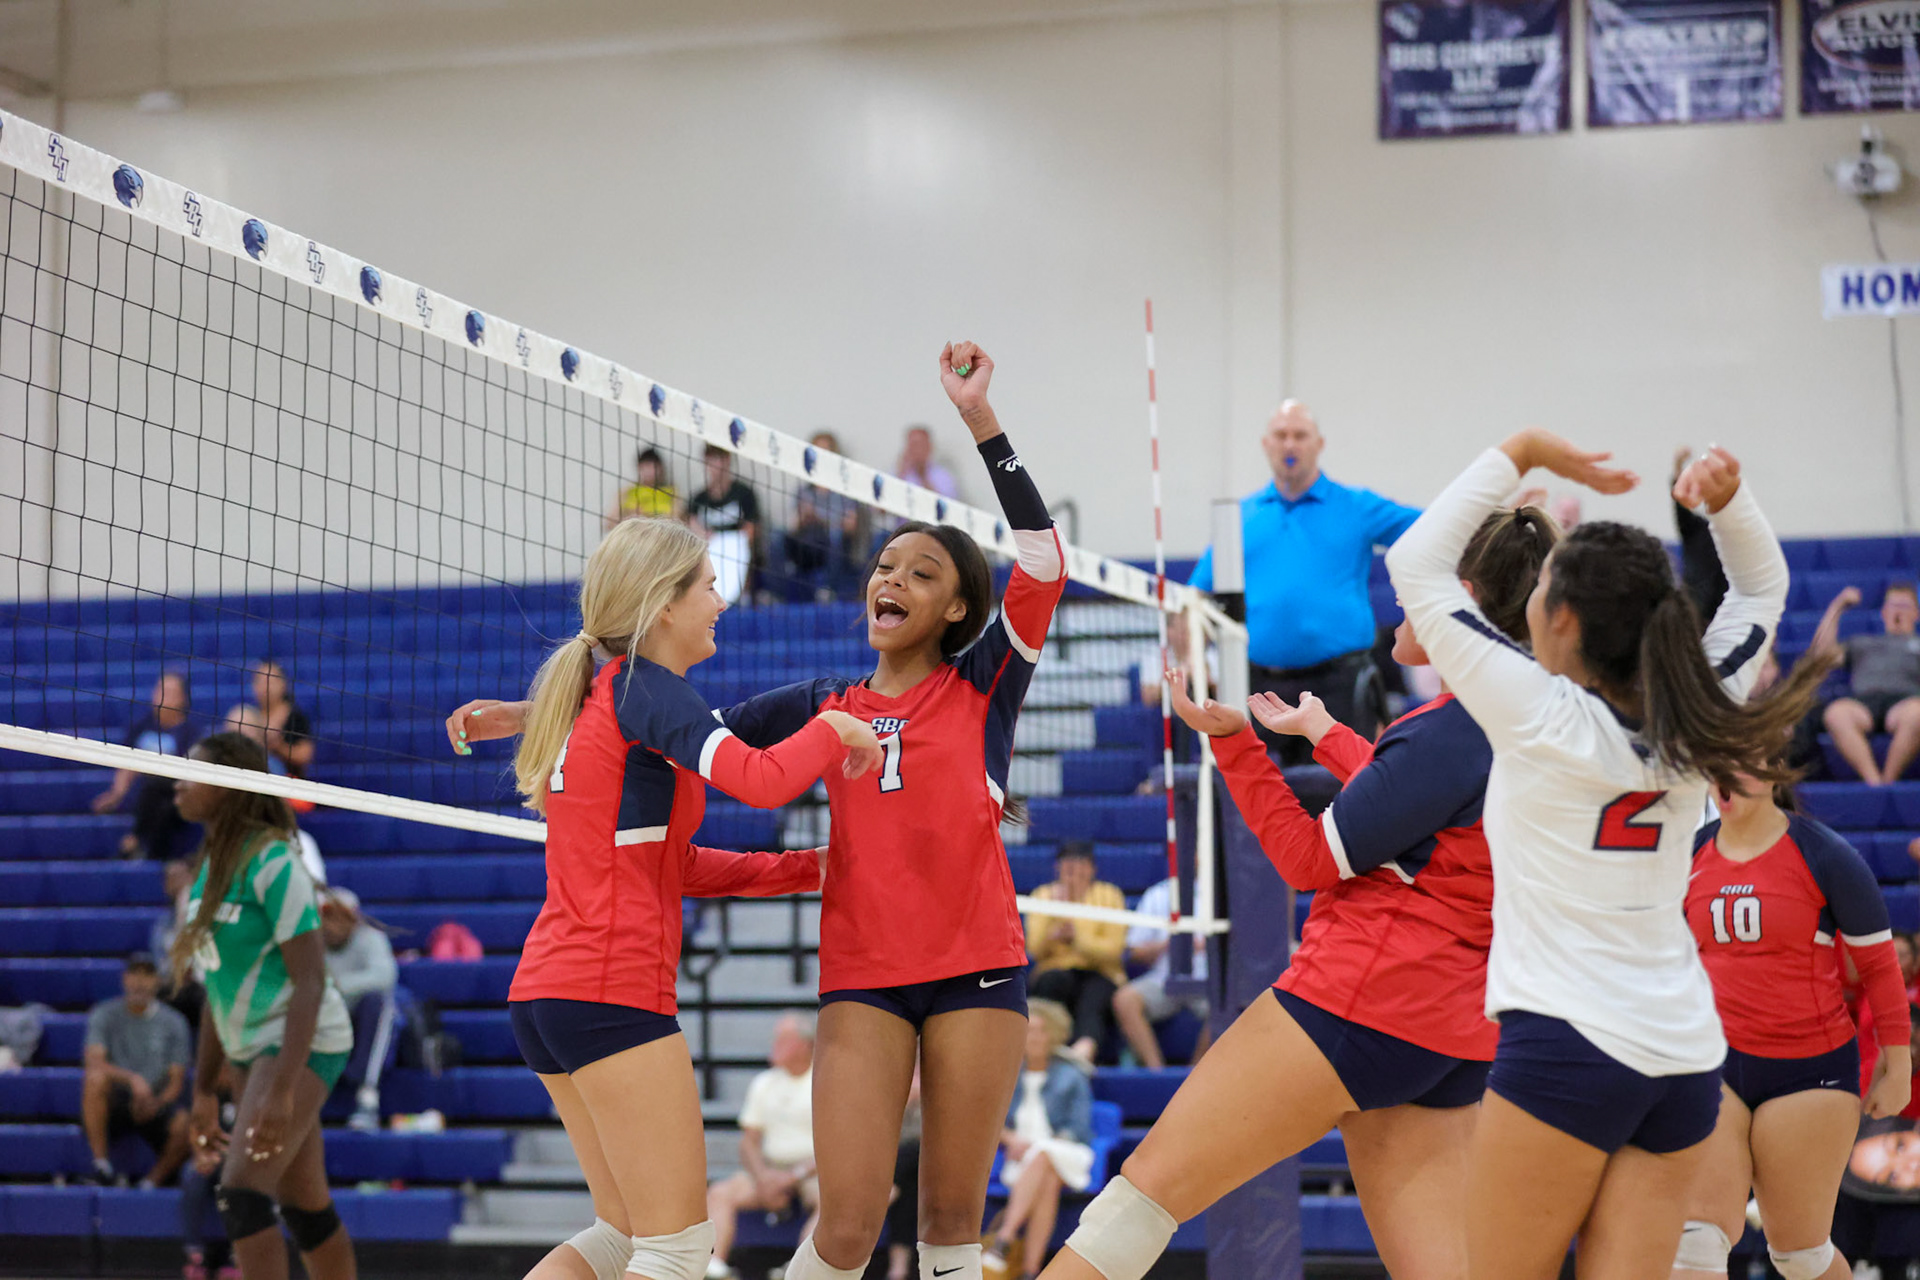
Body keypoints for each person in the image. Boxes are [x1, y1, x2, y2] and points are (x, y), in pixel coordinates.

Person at [444, 343, 1062, 1280]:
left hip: (976, 968)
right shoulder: (822, 699)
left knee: (947, 1225)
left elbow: (1044, 562)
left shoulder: (983, 687)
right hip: (862, 977)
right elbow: (662, 725)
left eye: (922, 572)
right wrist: (539, 713)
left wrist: (981, 421)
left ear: (956, 609)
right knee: (846, 1228)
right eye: (884, 565)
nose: (890, 579)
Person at [1036, 502, 1558, 1280]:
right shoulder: (1527, 718)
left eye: (1415, 587)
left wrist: (1234, 744)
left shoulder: (1445, 731)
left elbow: (1309, 860)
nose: (1396, 605)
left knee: (1139, 1202)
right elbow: (1426, 804)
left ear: (1462, 601)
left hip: (1359, 1001)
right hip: (1455, 1033)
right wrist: (1328, 737)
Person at [1384, 433, 1825, 1278]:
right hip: (1685, 1057)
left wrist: (1524, 450)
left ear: (1564, 623)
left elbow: (1416, 565)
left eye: (1542, 588)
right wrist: (1730, 502)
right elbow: (1763, 586)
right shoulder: (1702, 702)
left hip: (1567, 1047)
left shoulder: (1534, 712)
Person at [442, 515, 881, 1280]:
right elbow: (761, 778)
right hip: (611, 991)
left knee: (620, 1235)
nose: (722, 599)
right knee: (678, 1247)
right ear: (663, 604)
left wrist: (808, 867)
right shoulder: (643, 687)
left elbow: (671, 867)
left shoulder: (605, 700)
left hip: (549, 997)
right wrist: (835, 727)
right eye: (710, 584)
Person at [1674, 776, 1911, 1280]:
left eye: (1736, 762)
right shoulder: (1689, 852)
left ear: (1770, 767)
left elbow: (1880, 966)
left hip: (1807, 1074)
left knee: (1799, 1255)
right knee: (1696, 1241)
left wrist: (1897, 1064)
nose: (1724, 778)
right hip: (1712, 1066)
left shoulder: (1823, 854)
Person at [170, 731, 356, 1280]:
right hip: (251, 1045)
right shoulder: (210, 868)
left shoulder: (275, 861)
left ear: (229, 787)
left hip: (303, 1040)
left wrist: (280, 1090)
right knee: (306, 1209)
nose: (177, 782)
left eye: (192, 772)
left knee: (242, 1195)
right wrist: (203, 1089)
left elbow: (311, 980)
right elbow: (214, 988)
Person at [1187, 400, 1421, 764]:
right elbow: (1195, 599)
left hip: (1340, 688)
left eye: (1300, 435)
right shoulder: (1240, 518)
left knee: (1344, 795)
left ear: (1318, 444)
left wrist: (1500, 516)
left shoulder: (1355, 507)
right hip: (1260, 690)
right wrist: (1193, 661)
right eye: (1281, 436)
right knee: (1263, 803)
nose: (1290, 445)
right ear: (1266, 444)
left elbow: (1431, 527)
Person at [983, 1001, 1095, 1280]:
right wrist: (1010, 1140)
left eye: (1041, 1031)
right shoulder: (1008, 1074)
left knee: (1045, 1153)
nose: (1033, 1038)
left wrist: (1037, 1145)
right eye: (1028, 1031)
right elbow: (991, 1122)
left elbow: (1078, 1130)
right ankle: (1031, 1272)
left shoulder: (1072, 1075)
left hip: (1068, 1152)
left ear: (1053, 1035)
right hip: (1024, 1162)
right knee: (1047, 1180)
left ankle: (1005, 1237)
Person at [706, 1013, 820, 1279]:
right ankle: (715, 1267)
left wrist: (793, 1176)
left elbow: (839, 1145)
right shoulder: (764, 1082)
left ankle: (800, 1269)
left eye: (783, 1039)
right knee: (720, 1193)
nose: (774, 1045)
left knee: (831, 1202)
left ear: (805, 1044)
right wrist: (763, 1177)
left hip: (814, 1169)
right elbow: (749, 1142)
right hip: (769, 1169)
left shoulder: (823, 1080)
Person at [82, 953, 194, 1188]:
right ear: (124, 979)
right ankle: (101, 1166)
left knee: (186, 1123)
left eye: (147, 974)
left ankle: (152, 1181)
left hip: (156, 1100)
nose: (140, 981)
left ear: (158, 981)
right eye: (135, 974)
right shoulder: (104, 1013)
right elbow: (94, 1062)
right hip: (118, 1097)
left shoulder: (174, 1022)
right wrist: (132, 1079)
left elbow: (176, 1082)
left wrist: (157, 1103)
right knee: (95, 1080)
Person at [1025, 844, 1127, 1065]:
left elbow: (1113, 950)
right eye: (1068, 865)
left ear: (1092, 868)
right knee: (1051, 983)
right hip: (1055, 969)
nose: (1074, 871)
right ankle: (1041, 1054)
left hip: (1099, 971)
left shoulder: (1109, 895)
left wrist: (1077, 938)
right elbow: (1034, 948)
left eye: (1081, 864)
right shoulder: (1042, 896)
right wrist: (1053, 927)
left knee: (1093, 994)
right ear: (1057, 868)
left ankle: (1083, 1052)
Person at [1814, 581, 1920, 785]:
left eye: (1904, 606)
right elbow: (1821, 657)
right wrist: (1837, 607)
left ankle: (1888, 782)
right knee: (1836, 714)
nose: (1898, 611)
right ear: (1883, 612)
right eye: (1892, 605)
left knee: (1918, 714)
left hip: (1906, 702)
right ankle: (1874, 783)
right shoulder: (1862, 642)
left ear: (1916, 613)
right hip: (1863, 702)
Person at [94, 672, 199, 860]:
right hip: (145, 797)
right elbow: (126, 764)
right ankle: (143, 848)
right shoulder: (141, 726)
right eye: (159, 689)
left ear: (182, 698)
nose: (161, 695)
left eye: (169, 691)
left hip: (175, 796)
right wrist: (116, 794)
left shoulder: (190, 732)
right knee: (151, 792)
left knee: (159, 791)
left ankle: (136, 840)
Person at [319, 887, 397, 1132]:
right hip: (323, 1021)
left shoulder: (370, 938)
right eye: (325, 917)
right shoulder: (308, 942)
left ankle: (367, 1096)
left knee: (380, 1004)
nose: (330, 925)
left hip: (361, 1022)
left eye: (336, 917)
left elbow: (385, 976)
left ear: (353, 918)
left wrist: (336, 986)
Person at [1112, 877, 1211, 1071]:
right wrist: (1169, 944)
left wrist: (1211, 946)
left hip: (1210, 980)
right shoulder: (1158, 894)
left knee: (1233, 1005)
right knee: (1124, 1000)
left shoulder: (1222, 892)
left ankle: (1196, 1073)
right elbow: (1133, 951)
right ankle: (1156, 1071)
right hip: (1163, 978)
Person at [781, 431, 873, 601]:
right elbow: (792, 526)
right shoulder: (805, 490)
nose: (821, 457)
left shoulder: (844, 489)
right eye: (816, 451)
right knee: (778, 537)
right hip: (810, 544)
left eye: (825, 452)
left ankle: (828, 591)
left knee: (834, 537)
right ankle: (777, 594)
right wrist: (803, 518)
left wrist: (820, 519)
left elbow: (850, 526)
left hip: (836, 544)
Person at [689, 445, 761, 606]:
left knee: (739, 550)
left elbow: (750, 530)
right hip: (709, 550)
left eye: (718, 459)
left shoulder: (744, 493)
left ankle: (742, 600)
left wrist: (726, 540)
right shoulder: (699, 498)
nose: (714, 466)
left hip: (736, 549)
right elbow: (692, 527)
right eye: (710, 460)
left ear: (727, 461)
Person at [222, 660, 314, 779]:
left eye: (270, 681)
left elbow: (305, 755)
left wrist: (279, 747)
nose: (265, 687)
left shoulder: (295, 717)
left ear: (283, 683)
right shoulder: (250, 715)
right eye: (259, 681)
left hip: (287, 780)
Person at [610, 447, 679, 527]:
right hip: (632, 534)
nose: (650, 471)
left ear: (661, 469)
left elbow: (677, 521)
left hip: (659, 535)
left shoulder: (672, 492)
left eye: (654, 467)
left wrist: (645, 518)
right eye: (646, 466)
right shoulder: (627, 491)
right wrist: (630, 519)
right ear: (639, 468)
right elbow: (609, 523)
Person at [895, 424, 959, 500]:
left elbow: (945, 505)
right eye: (912, 445)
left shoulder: (943, 476)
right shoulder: (896, 473)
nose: (916, 451)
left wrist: (923, 476)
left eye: (919, 445)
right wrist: (901, 473)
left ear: (929, 447)